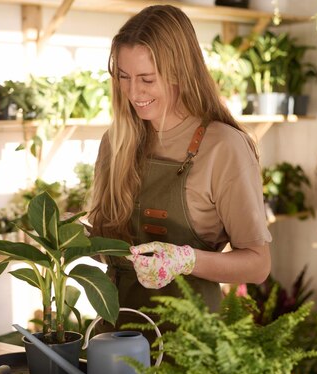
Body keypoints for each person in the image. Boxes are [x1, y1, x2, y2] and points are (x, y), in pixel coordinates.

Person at [88, 5, 271, 319]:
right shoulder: (116, 142)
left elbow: (257, 264)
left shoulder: (223, 147)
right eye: (124, 77)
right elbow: (108, 249)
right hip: (116, 334)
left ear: (179, 73)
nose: (134, 92)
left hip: (190, 345)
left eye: (147, 79)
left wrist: (186, 260)